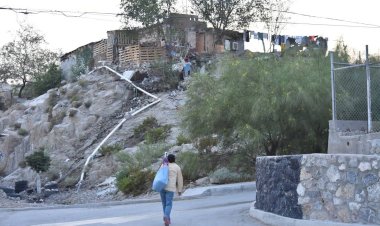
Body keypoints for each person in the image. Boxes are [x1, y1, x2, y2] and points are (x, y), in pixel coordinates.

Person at [160, 153, 183, 226]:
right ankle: (166, 216)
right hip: (170, 188)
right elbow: (180, 179)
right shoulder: (177, 167)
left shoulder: (163, 165)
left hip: (162, 187)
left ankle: (167, 220)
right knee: (169, 204)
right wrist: (179, 190)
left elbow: (159, 175)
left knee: (164, 204)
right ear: (174, 159)